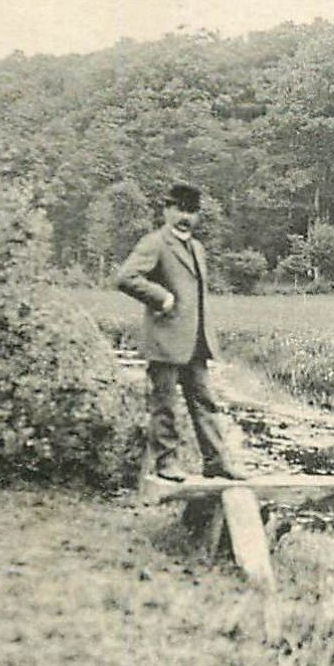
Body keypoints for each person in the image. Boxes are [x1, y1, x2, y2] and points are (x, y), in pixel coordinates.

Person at [115, 183, 247, 481]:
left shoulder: (197, 248)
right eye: (179, 209)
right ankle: (166, 463)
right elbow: (125, 277)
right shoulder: (155, 243)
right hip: (164, 340)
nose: (185, 217)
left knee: (205, 402)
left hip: (195, 342)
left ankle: (216, 462)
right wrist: (161, 297)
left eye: (191, 211)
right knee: (164, 404)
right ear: (167, 209)